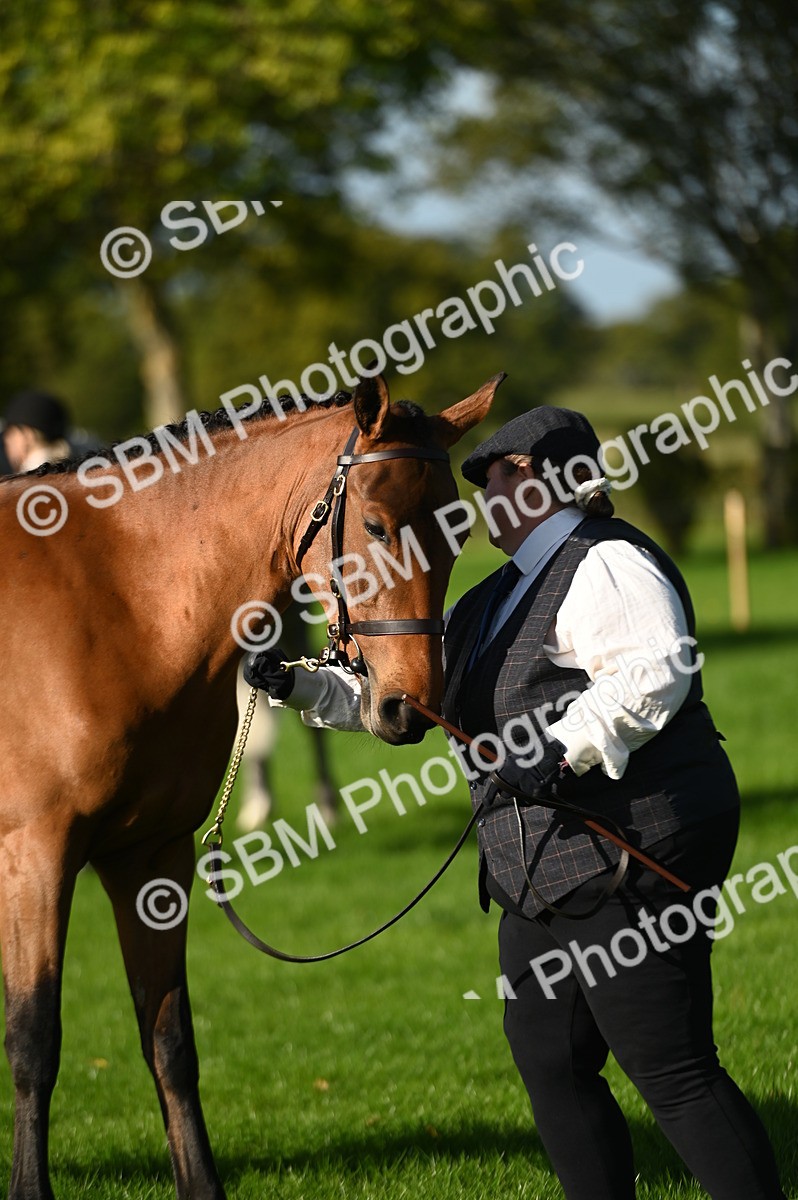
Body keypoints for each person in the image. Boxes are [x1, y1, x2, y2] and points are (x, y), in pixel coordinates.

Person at [244, 405, 786, 1200]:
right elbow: (406, 704)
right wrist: (301, 685)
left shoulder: (604, 563)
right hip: (541, 872)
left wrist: (559, 748)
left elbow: (655, 671)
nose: (481, 498)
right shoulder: (493, 595)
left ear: (537, 480)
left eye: (492, 477)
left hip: (630, 851)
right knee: (550, 1058)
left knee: (670, 1070)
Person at [2, 389, 71, 473]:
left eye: (10, 434)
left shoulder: (27, 481)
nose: (6, 440)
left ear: (27, 435)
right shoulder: (67, 474)